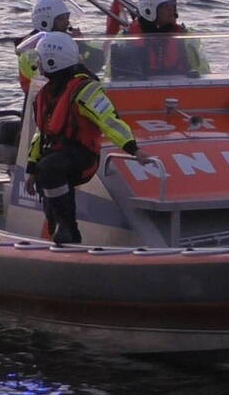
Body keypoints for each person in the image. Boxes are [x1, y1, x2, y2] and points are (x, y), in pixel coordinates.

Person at [25, 31, 153, 244]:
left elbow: (110, 121)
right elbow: (42, 134)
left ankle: (69, 230)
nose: (37, 64)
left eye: (40, 59)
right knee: (47, 176)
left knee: (50, 168)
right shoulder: (46, 93)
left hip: (81, 155)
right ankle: (61, 233)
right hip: (54, 156)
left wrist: (133, 149)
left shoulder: (85, 91)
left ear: (51, 61)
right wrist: (31, 169)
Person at [116, 0, 208, 77]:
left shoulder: (187, 38)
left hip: (179, 85)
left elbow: (203, 74)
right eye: (166, 6)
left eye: (173, 5)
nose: (171, 10)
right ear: (149, 10)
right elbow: (112, 78)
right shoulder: (125, 39)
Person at [14, 0, 85, 92]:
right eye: (61, 18)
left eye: (67, 17)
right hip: (46, 95)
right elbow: (49, 79)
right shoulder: (33, 51)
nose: (67, 22)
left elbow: (97, 60)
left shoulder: (65, 40)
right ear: (45, 21)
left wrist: (81, 44)